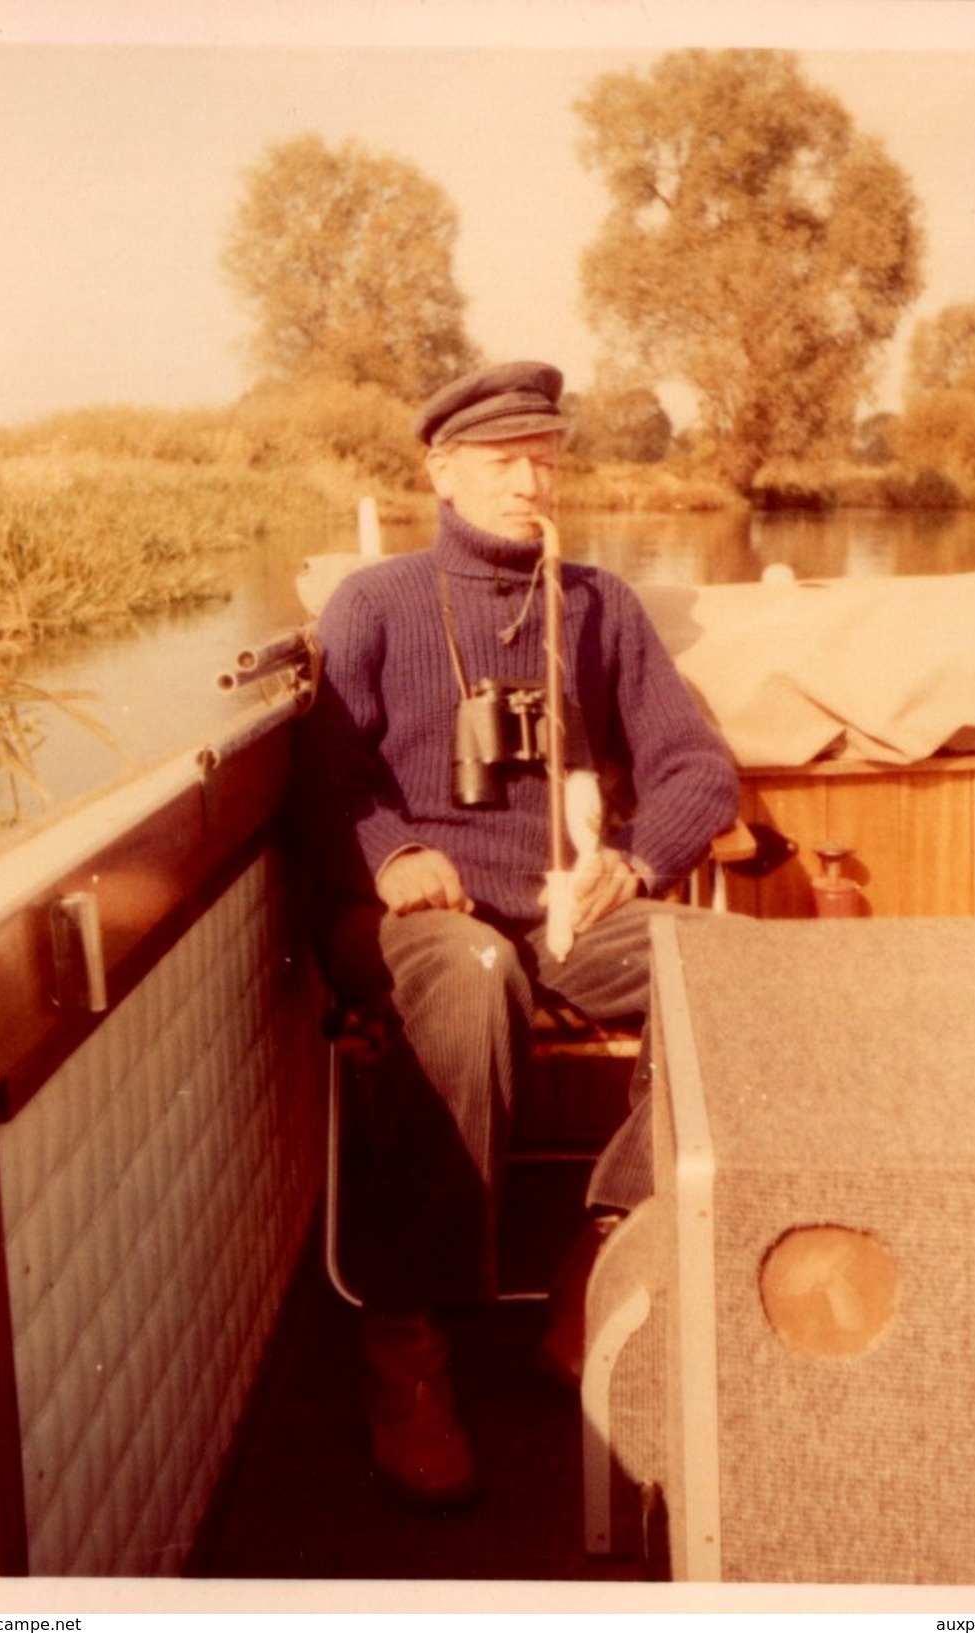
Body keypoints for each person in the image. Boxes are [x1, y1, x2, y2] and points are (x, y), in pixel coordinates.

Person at [301, 361, 739, 1507]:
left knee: (710, 966)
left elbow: (700, 771)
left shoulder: (597, 606)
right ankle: (407, 1343)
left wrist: (632, 862)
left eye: (545, 460)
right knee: (471, 968)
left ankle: (597, 1259)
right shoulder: (374, 602)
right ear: (441, 471)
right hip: (411, 920)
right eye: (504, 461)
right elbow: (325, 785)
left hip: (559, 916)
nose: (530, 481)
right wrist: (396, 853)